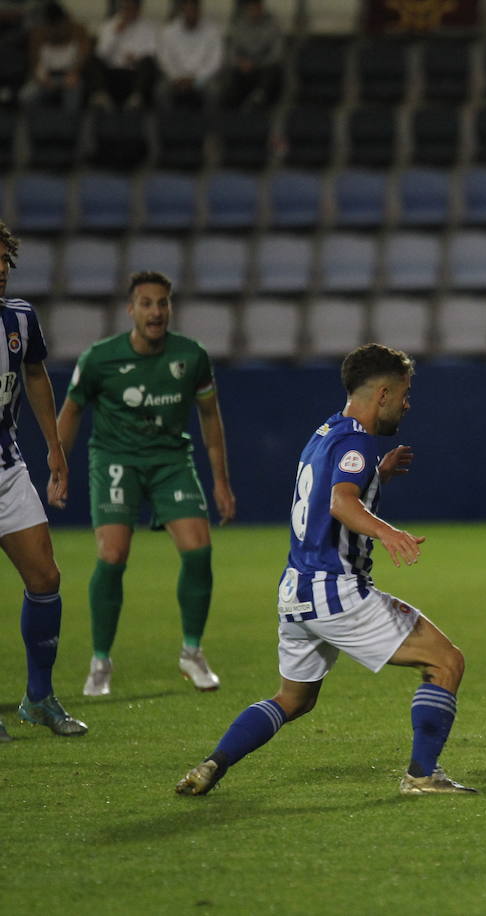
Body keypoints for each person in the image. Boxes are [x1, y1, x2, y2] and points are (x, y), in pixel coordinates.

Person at [176, 344, 477, 796]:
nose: (407, 403)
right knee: (447, 661)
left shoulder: (327, 432)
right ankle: (421, 775)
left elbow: (329, 495)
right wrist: (388, 532)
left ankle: (212, 763)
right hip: (334, 590)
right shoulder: (356, 439)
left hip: (295, 590)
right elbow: (340, 502)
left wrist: (379, 475)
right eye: (405, 393)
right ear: (382, 393)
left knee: (294, 699)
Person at [57, 270, 235, 697]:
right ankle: (100, 661)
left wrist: (221, 482)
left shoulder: (191, 356)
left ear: (170, 308)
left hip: (171, 459)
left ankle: (191, 653)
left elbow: (210, 418)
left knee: (199, 550)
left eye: (162, 303)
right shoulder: (99, 359)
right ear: (131, 309)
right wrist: (58, 469)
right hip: (117, 460)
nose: (155, 311)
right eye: (147, 303)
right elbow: (71, 410)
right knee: (113, 554)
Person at [0, 220, 86, 740]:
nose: (1, 270)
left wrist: (55, 447)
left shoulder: (19, 319)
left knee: (45, 579)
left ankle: (38, 698)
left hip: (7, 466)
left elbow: (34, 376)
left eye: (5, 260)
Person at [19, 1, 88, 112]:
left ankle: (69, 123)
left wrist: (75, 72)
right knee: (26, 96)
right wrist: (41, 77)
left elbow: (83, 56)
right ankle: (38, 124)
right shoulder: (38, 34)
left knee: (74, 91)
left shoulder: (78, 31)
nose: (56, 31)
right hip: (47, 77)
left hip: (70, 76)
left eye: (59, 25)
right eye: (52, 27)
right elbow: (35, 61)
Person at [88, 0, 158, 110]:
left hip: (134, 73)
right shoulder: (109, 25)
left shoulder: (148, 28)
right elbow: (101, 53)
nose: (128, 12)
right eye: (125, 8)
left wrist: (136, 58)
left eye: (131, 9)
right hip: (112, 71)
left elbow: (152, 53)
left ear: (138, 9)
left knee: (148, 64)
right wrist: (116, 34)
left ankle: (136, 99)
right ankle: (101, 96)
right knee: (93, 61)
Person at [155, 0, 221, 110]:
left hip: (202, 80)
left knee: (214, 91)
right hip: (175, 79)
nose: (190, 14)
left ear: (199, 11)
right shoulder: (168, 32)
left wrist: (196, 80)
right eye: (187, 10)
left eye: (193, 10)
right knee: (161, 90)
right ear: (182, 11)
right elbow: (164, 60)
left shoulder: (213, 32)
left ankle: (210, 127)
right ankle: (167, 126)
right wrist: (176, 77)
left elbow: (215, 62)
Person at [219, 0, 282, 111]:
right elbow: (231, 53)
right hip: (243, 69)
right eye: (251, 8)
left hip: (263, 68)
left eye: (257, 7)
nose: (254, 11)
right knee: (230, 79)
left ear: (262, 7)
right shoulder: (239, 25)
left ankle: (258, 99)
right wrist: (241, 63)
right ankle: (231, 113)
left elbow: (276, 54)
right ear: (246, 9)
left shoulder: (272, 24)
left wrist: (256, 63)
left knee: (272, 72)